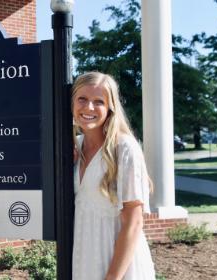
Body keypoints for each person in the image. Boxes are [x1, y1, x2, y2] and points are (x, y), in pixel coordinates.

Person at [72, 71, 156, 280]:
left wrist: (113, 277)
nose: (89, 107)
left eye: (98, 101)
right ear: (72, 101)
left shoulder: (124, 148)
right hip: (84, 259)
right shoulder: (75, 147)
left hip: (120, 267)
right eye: (82, 98)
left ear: (110, 108)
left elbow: (134, 222)